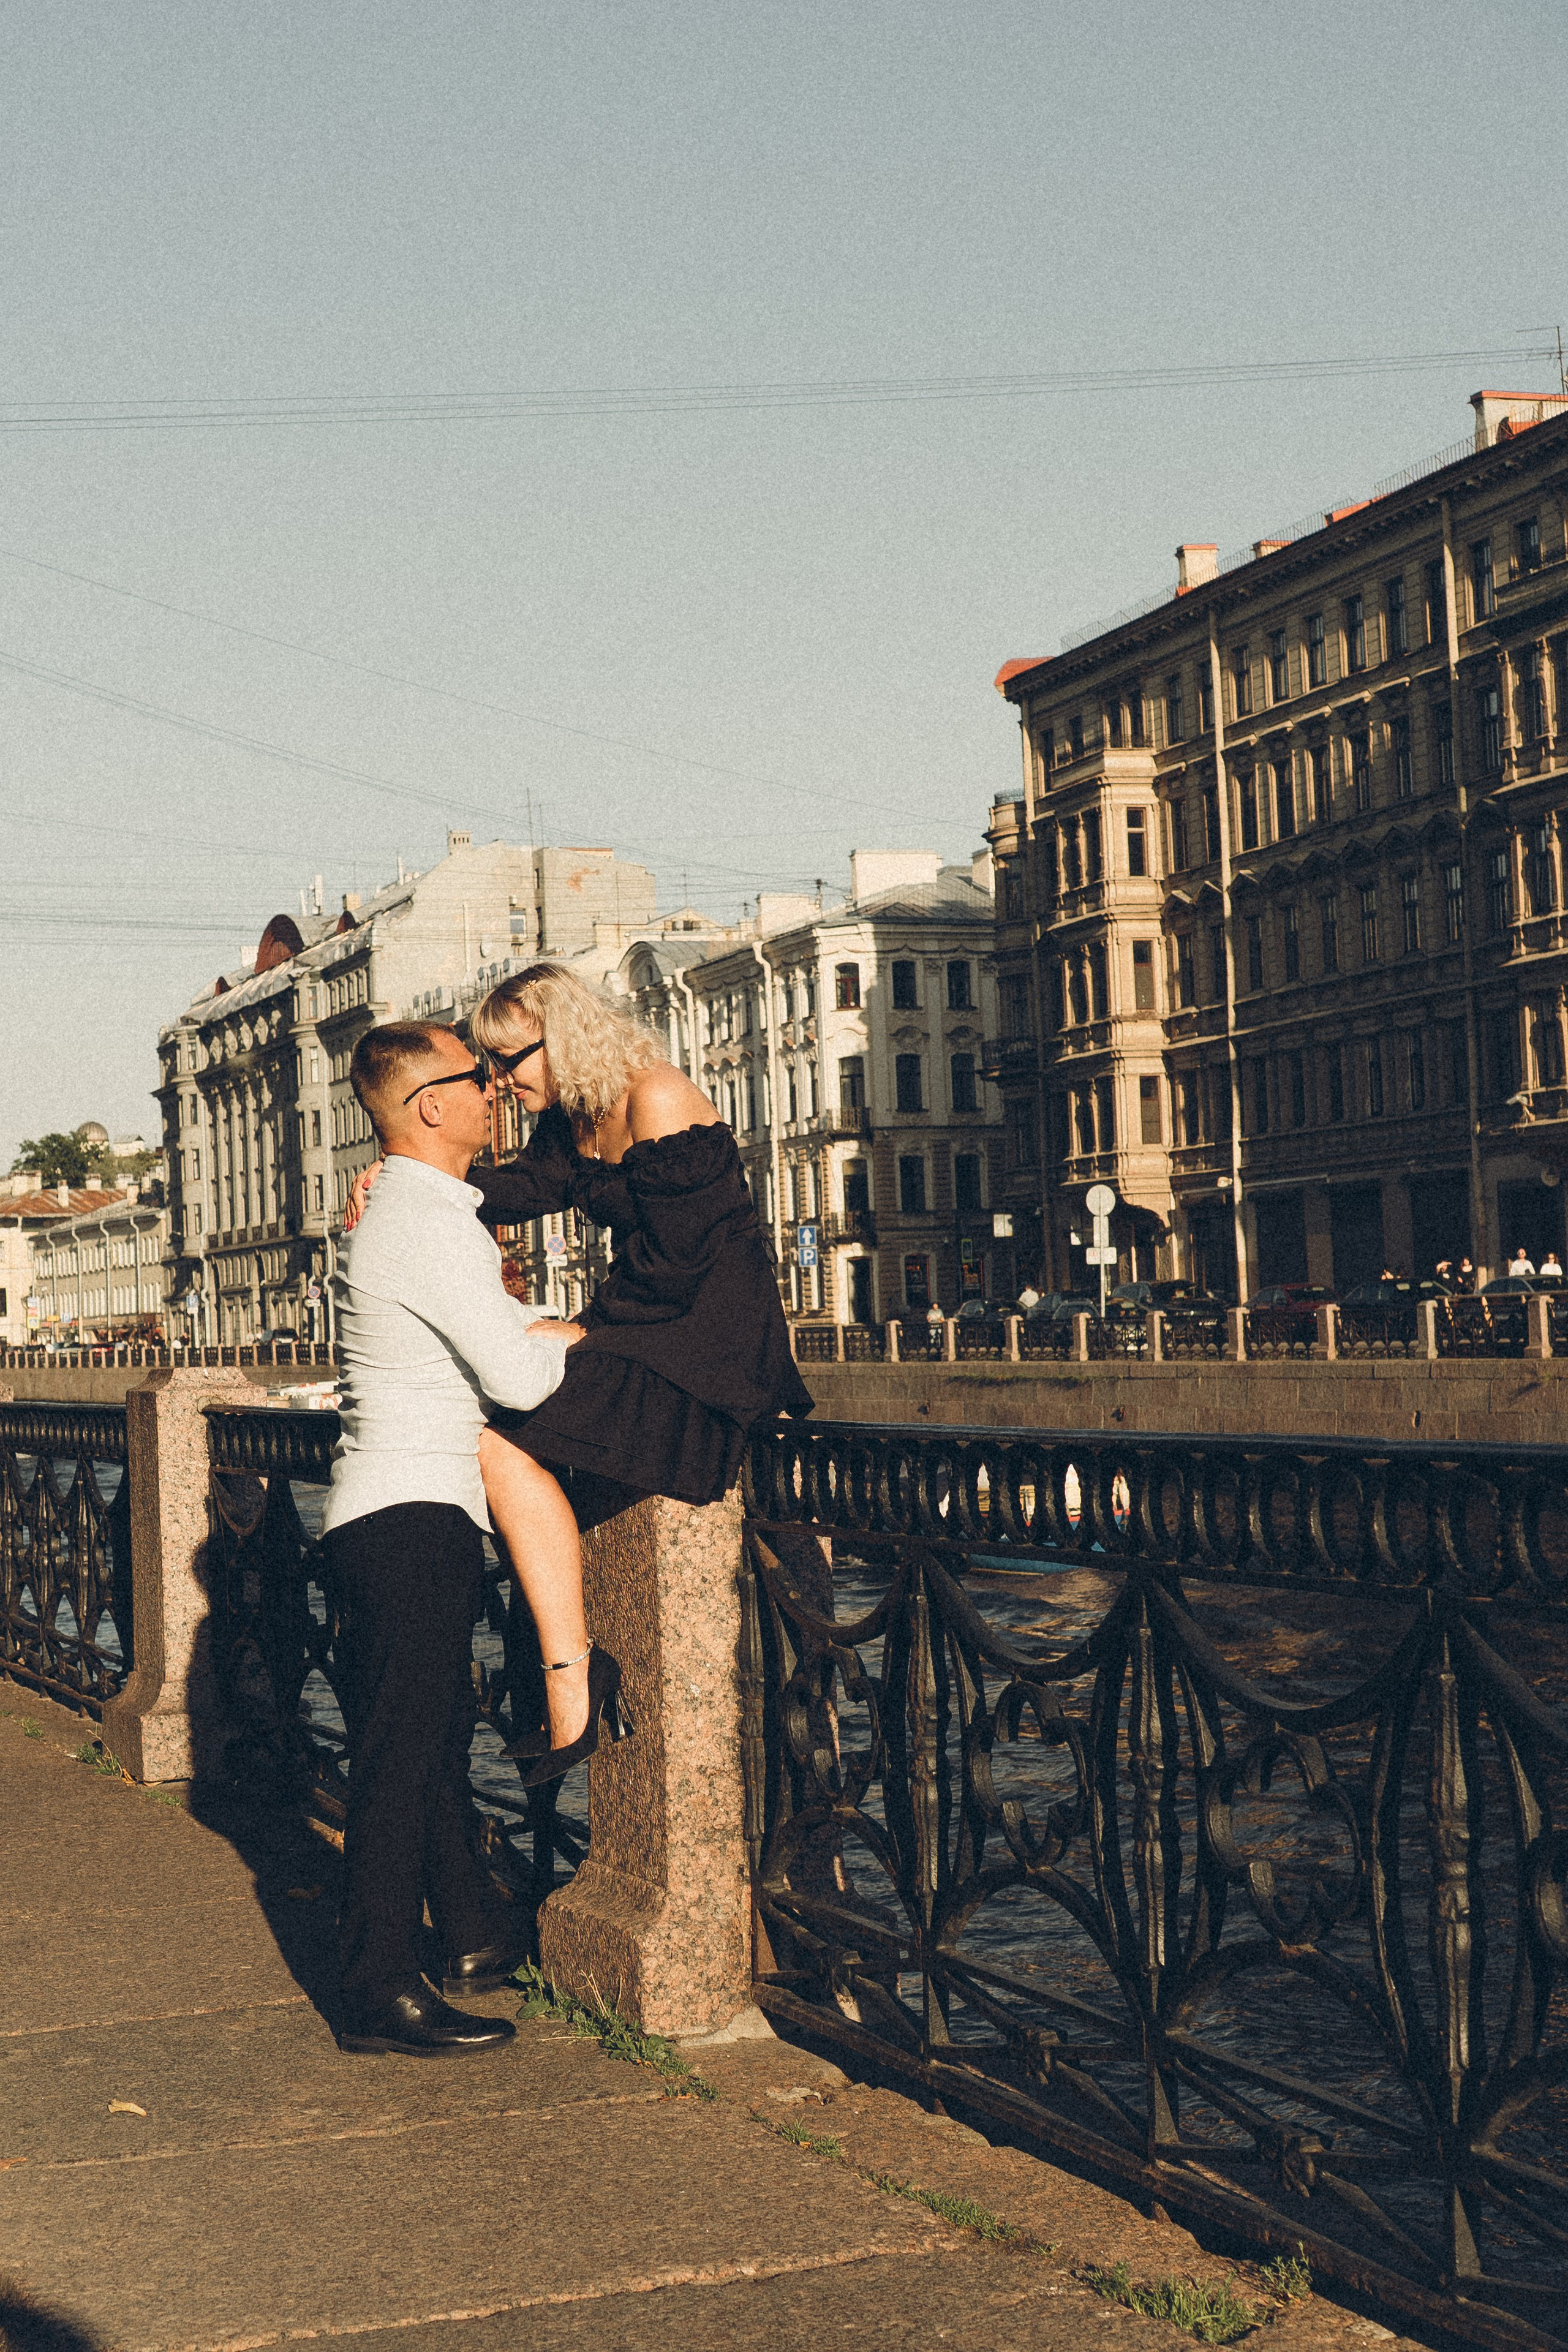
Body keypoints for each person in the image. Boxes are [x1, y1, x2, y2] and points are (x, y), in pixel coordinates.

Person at [353, 965, 813, 1778]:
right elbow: (518, 1190)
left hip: (714, 1349)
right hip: (651, 1332)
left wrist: (581, 1331)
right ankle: (567, 1681)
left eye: (510, 1062)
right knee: (500, 1428)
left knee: (501, 1440)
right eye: (486, 1068)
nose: (498, 1084)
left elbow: (680, 1269)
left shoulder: (658, 1098)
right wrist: (408, 1178)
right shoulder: (578, 1120)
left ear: (560, 1038)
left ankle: (569, 1684)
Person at [324, 1020, 587, 2057]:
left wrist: (535, 1327)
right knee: (400, 1763)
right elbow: (518, 1379)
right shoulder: (427, 1224)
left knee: (426, 1755)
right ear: (429, 1104)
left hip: (387, 1514)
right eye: (476, 1078)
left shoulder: (409, 1210)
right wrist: (579, 1338)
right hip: (414, 1516)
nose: (494, 1091)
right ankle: (377, 1988)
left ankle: (471, 1932)